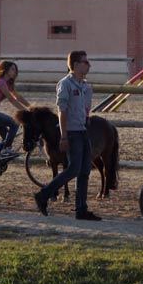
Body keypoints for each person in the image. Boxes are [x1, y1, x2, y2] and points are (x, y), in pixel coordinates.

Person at [32, 50, 100, 221]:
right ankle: (44, 194)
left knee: (84, 171)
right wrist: (64, 135)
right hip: (72, 133)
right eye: (85, 62)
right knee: (73, 169)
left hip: (83, 131)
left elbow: (86, 110)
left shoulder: (86, 87)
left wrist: (86, 122)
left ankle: (81, 209)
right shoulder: (65, 84)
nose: (88, 65)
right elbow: (62, 111)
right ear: (76, 65)